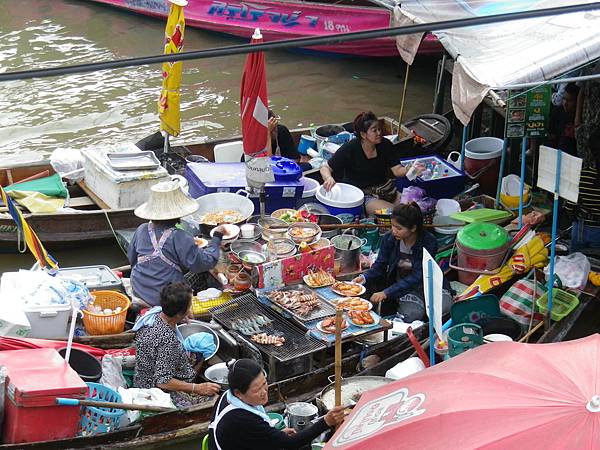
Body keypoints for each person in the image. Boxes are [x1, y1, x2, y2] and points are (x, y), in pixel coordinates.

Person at [208, 359, 346, 450]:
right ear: (239, 393)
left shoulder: (228, 394)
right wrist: (326, 422)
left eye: (264, 384)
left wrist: (275, 434)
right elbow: (290, 444)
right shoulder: (242, 419)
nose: (264, 392)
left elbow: (248, 437)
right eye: (257, 390)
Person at [128, 180, 226, 307]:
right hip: (166, 299)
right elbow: (204, 263)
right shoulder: (180, 236)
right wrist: (217, 237)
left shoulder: (141, 229)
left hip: (139, 288)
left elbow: (132, 260)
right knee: (200, 274)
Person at [353, 203, 451, 321]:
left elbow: (419, 275)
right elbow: (380, 265)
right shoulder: (389, 238)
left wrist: (386, 292)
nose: (394, 231)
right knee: (411, 315)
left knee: (443, 309)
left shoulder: (429, 242)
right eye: (393, 226)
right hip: (404, 285)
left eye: (399, 228)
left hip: (428, 282)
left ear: (413, 228)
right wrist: (364, 277)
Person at [134, 283, 221, 407]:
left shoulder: (151, 316)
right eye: (189, 306)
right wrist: (197, 388)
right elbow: (163, 382)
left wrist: (179, 318)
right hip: (155, 390)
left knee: (197, 355)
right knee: (215, 400)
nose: (190, 309)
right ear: (179, 313)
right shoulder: (167, 341)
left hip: (144, 374)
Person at [319, 111, 421, 215]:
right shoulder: (350, 148)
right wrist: (328, 178)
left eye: (379, 129)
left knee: (414, 210)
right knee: (397, 214)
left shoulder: (385, 144)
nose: (379, 133)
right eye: (374, 130)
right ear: (363, 134)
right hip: (363, 195)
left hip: (386, 190)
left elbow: (397, 170)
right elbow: (325, 168)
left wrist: (411, 169)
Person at [565, 130, 600, 253]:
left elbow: (570, 206)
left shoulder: (583, 175)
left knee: (576, 265)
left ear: (590, 151)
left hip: (583, 228)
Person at [547, 83, 580, 157]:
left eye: (570, 100)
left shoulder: (581, 115)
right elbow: (551, 136)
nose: (565, 103)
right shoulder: (557, 112)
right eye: (564, 99)